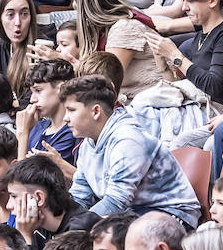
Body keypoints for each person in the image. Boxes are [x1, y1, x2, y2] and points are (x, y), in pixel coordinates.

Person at [61, 76, 200, 226]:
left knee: (89, 232)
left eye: (71, 110)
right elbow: (81, 194)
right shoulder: (87, 144)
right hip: (131, 212)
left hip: (172, 215)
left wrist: (73, 225)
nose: (65, 118)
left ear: (96, 111)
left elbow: (116, 202)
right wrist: (62, 220)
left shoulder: (128, 139)